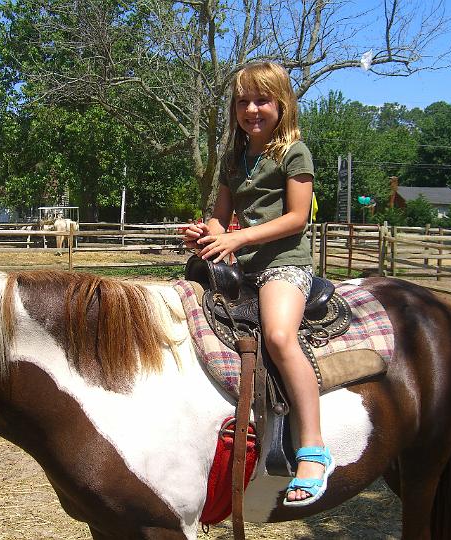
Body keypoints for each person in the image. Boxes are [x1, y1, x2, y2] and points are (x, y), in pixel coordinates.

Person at [182, 62, 334, 506]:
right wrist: (208, 232)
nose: (251, 109)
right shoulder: (233, 158)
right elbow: (220, 212)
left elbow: (296, 218)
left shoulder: (294, 153)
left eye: (261, 100)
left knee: (281, 336)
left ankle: (313, 449)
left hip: (284, 263)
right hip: (243, 266)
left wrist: (236, 236)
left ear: (281, 104)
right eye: (242, 101)